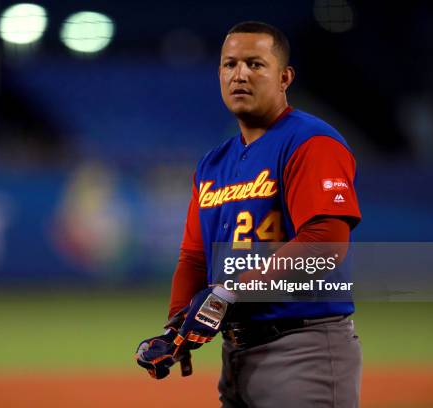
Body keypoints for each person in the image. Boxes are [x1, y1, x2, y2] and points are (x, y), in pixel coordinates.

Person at [136, 21, 362, 407]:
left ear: (284, 77)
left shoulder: (311, 142)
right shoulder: (213, 163)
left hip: (302, 349)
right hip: (237, 354)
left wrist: (231, 290)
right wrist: (177, 330)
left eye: (255, 64)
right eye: (229, 64)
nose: (239, 74)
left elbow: (325, 242)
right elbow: (194, 257)